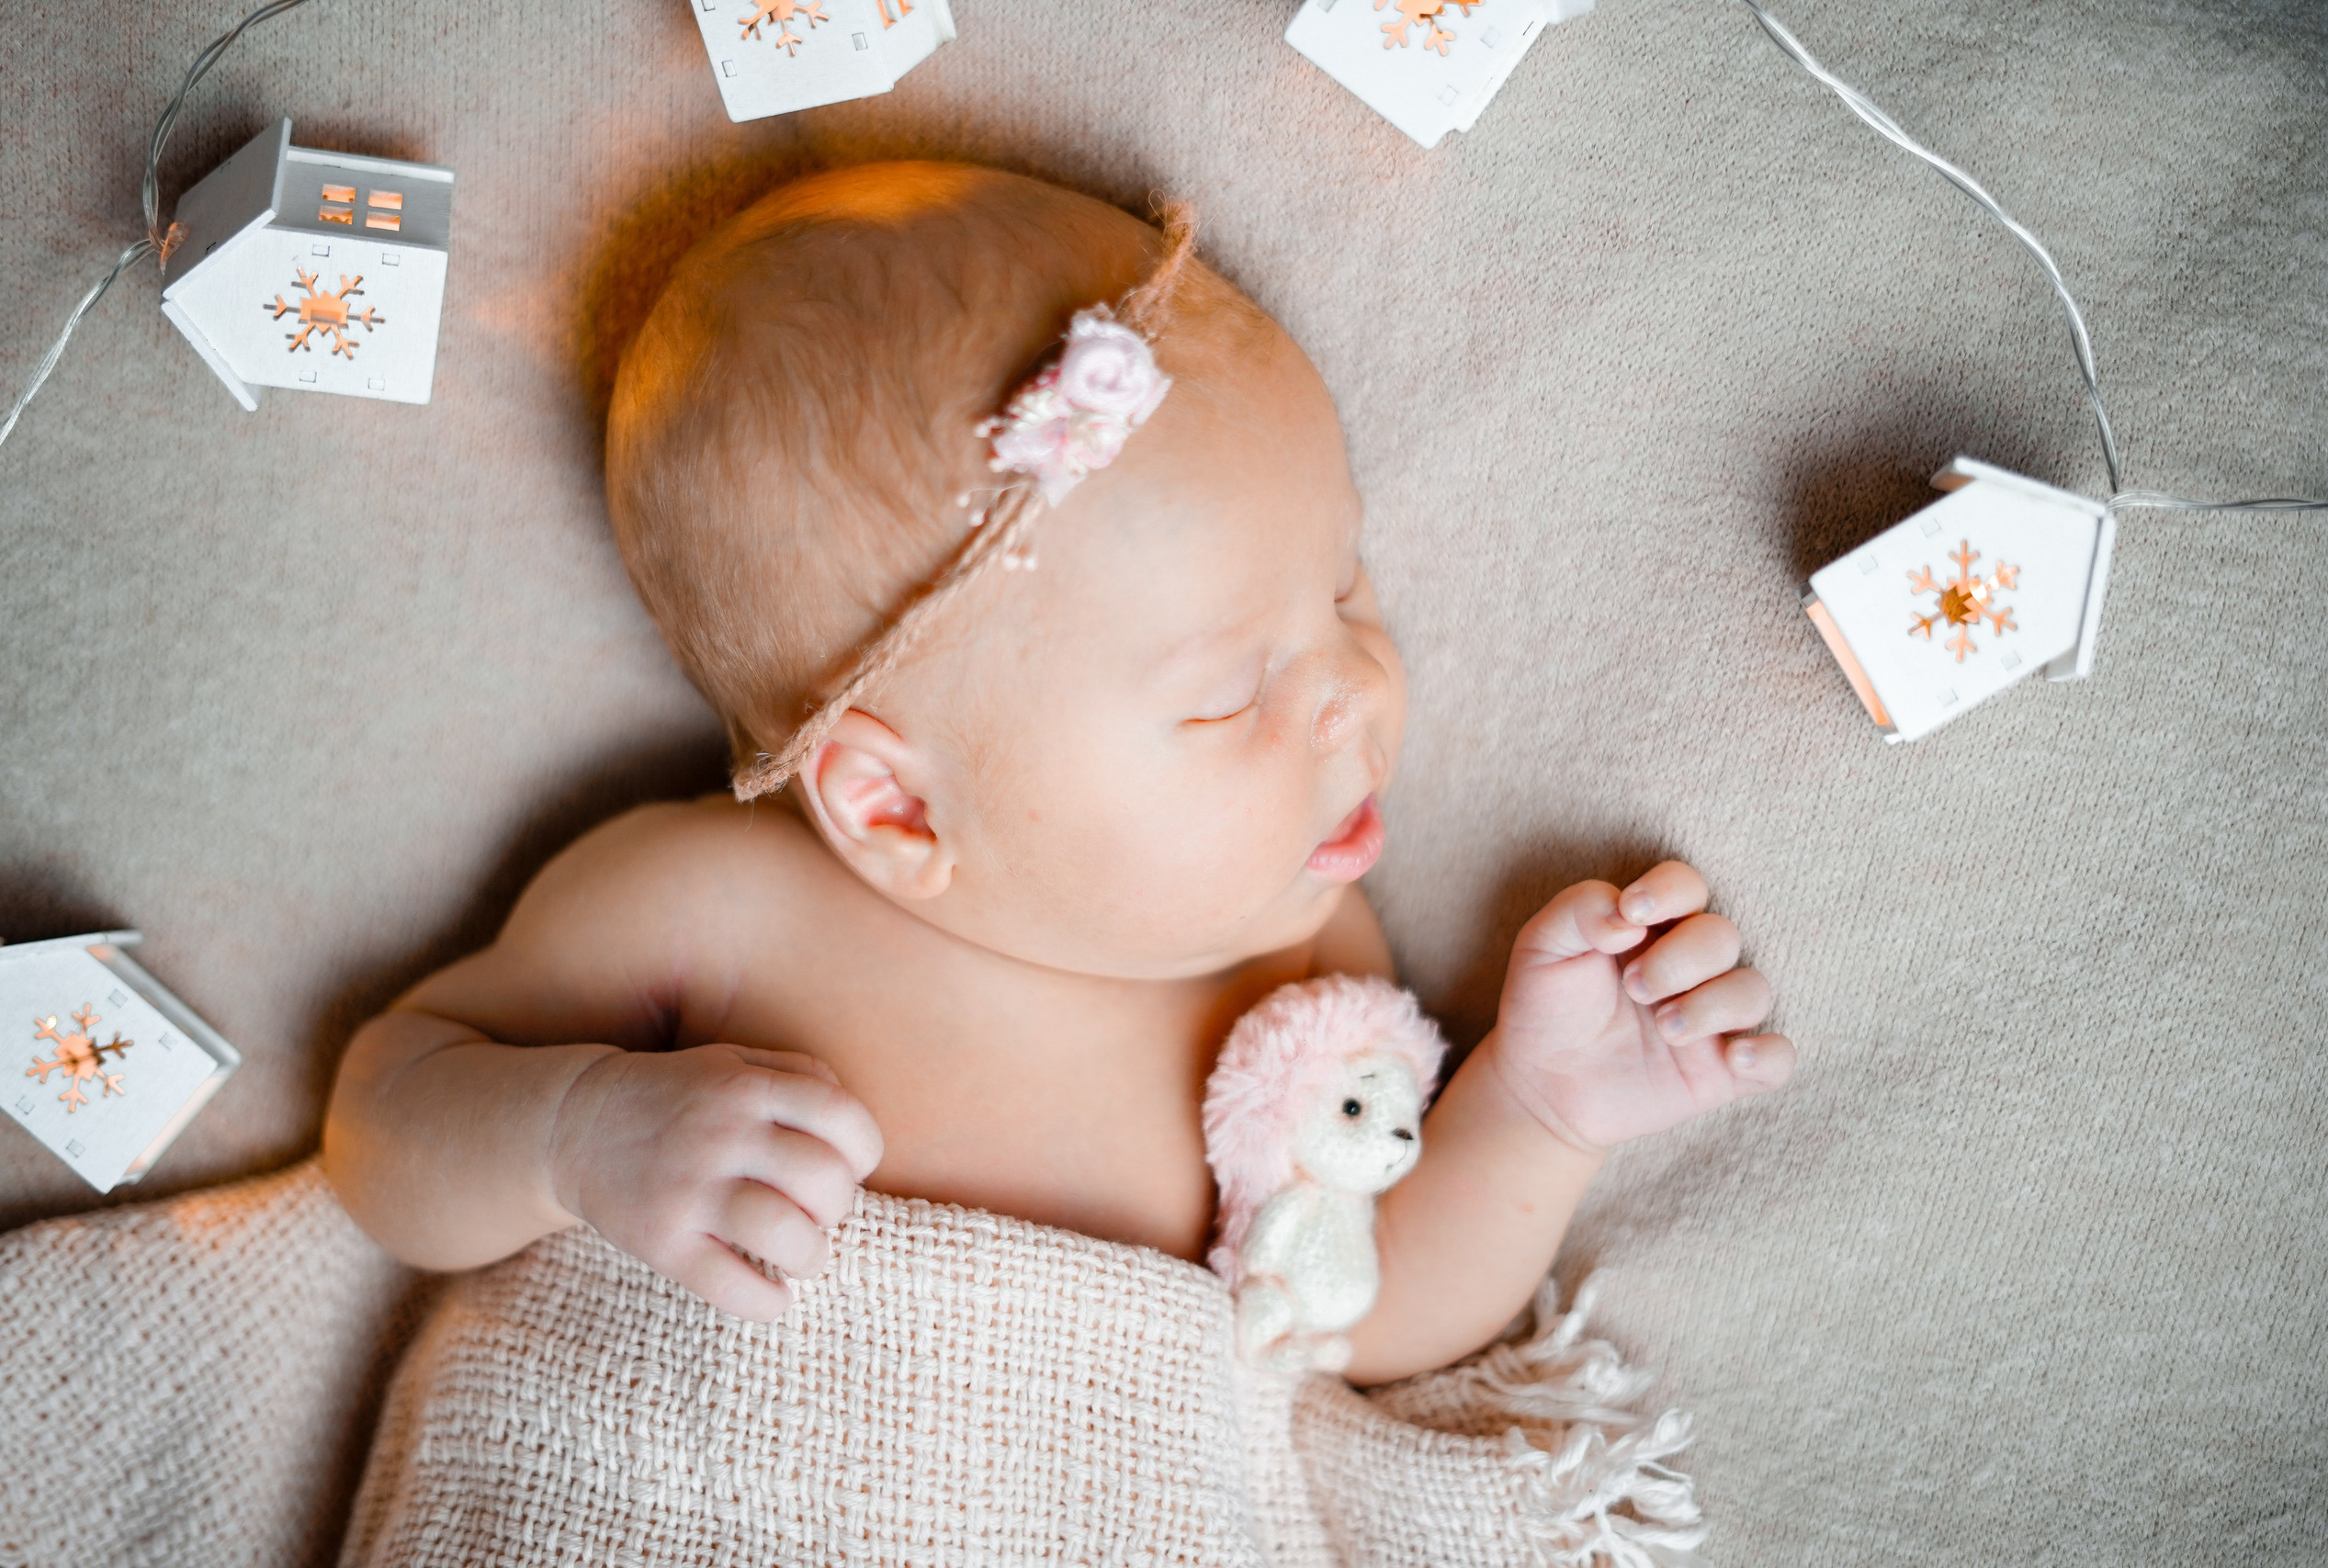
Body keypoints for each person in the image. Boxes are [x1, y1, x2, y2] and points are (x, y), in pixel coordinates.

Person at [321, 162, 1792, 1387]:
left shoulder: (1292, 984)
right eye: (1229, 697)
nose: (1356, 690)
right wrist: (576, 1132)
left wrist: (1541, 1114)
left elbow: (1363, 1316)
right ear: (894, 806)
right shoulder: (707, 903)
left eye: (1345, 589)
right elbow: (385, 1129)